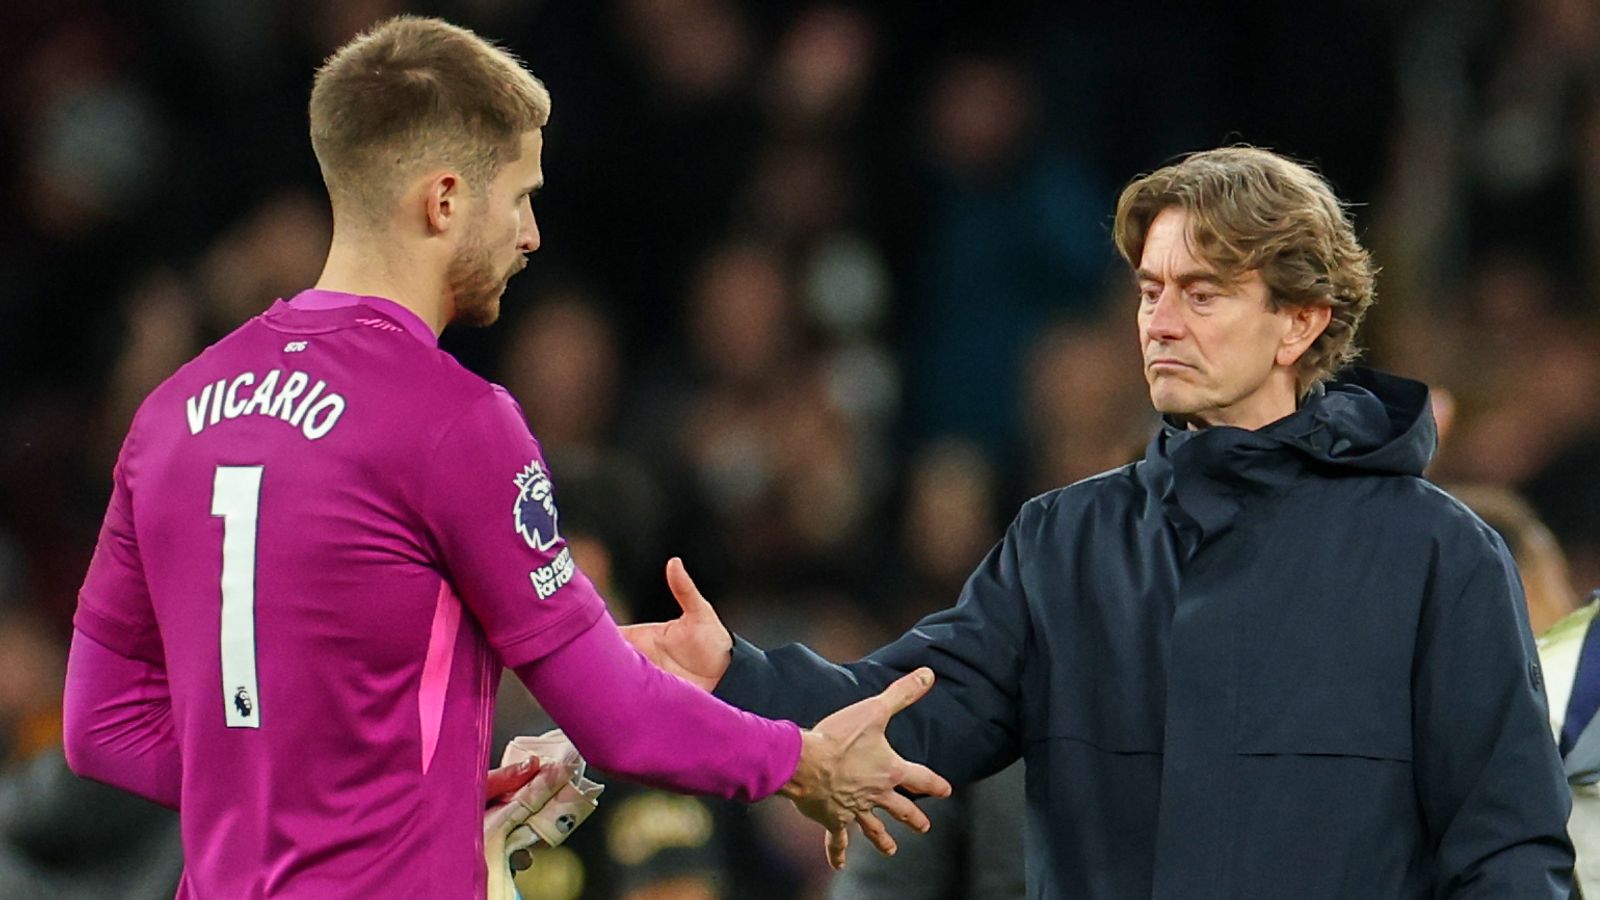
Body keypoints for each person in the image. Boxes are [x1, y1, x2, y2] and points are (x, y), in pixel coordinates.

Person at [60, 16, 950, 899]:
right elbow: (616, 719)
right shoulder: (454, 420)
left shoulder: (169, 413)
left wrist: (381, 800)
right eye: (519, 196)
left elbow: (101, 726)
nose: (530, 235)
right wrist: (802, 761)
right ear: (445, 200)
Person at [626, 146, 1576, 897]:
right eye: (1149, 289)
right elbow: (905, 713)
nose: (1161, 322)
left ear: (1300, 323)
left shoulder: (1440, 555)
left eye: (1202, 293)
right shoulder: (1063, 542)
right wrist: (734, 673)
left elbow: (1507, 853)